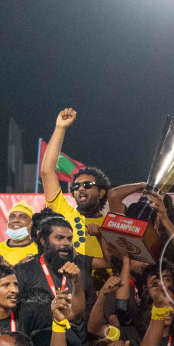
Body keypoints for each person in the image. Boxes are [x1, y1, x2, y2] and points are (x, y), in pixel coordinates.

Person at [40, 108, 109, 261]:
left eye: (87, 185)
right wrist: (60, 128)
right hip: (68, 284)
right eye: (76, 187)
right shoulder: (64, 214)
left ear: (101, 192)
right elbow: (47, 171)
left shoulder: (111, 225)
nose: (81, 189)